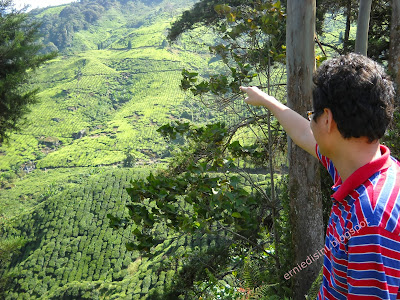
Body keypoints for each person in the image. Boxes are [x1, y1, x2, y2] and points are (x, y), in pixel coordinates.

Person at [240, 53, 400, 299]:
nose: (309, 121)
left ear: (327, 120)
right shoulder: (362, 168)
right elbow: (304, 134)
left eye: (312, 113)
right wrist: (268, 101)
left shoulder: (369, 220)